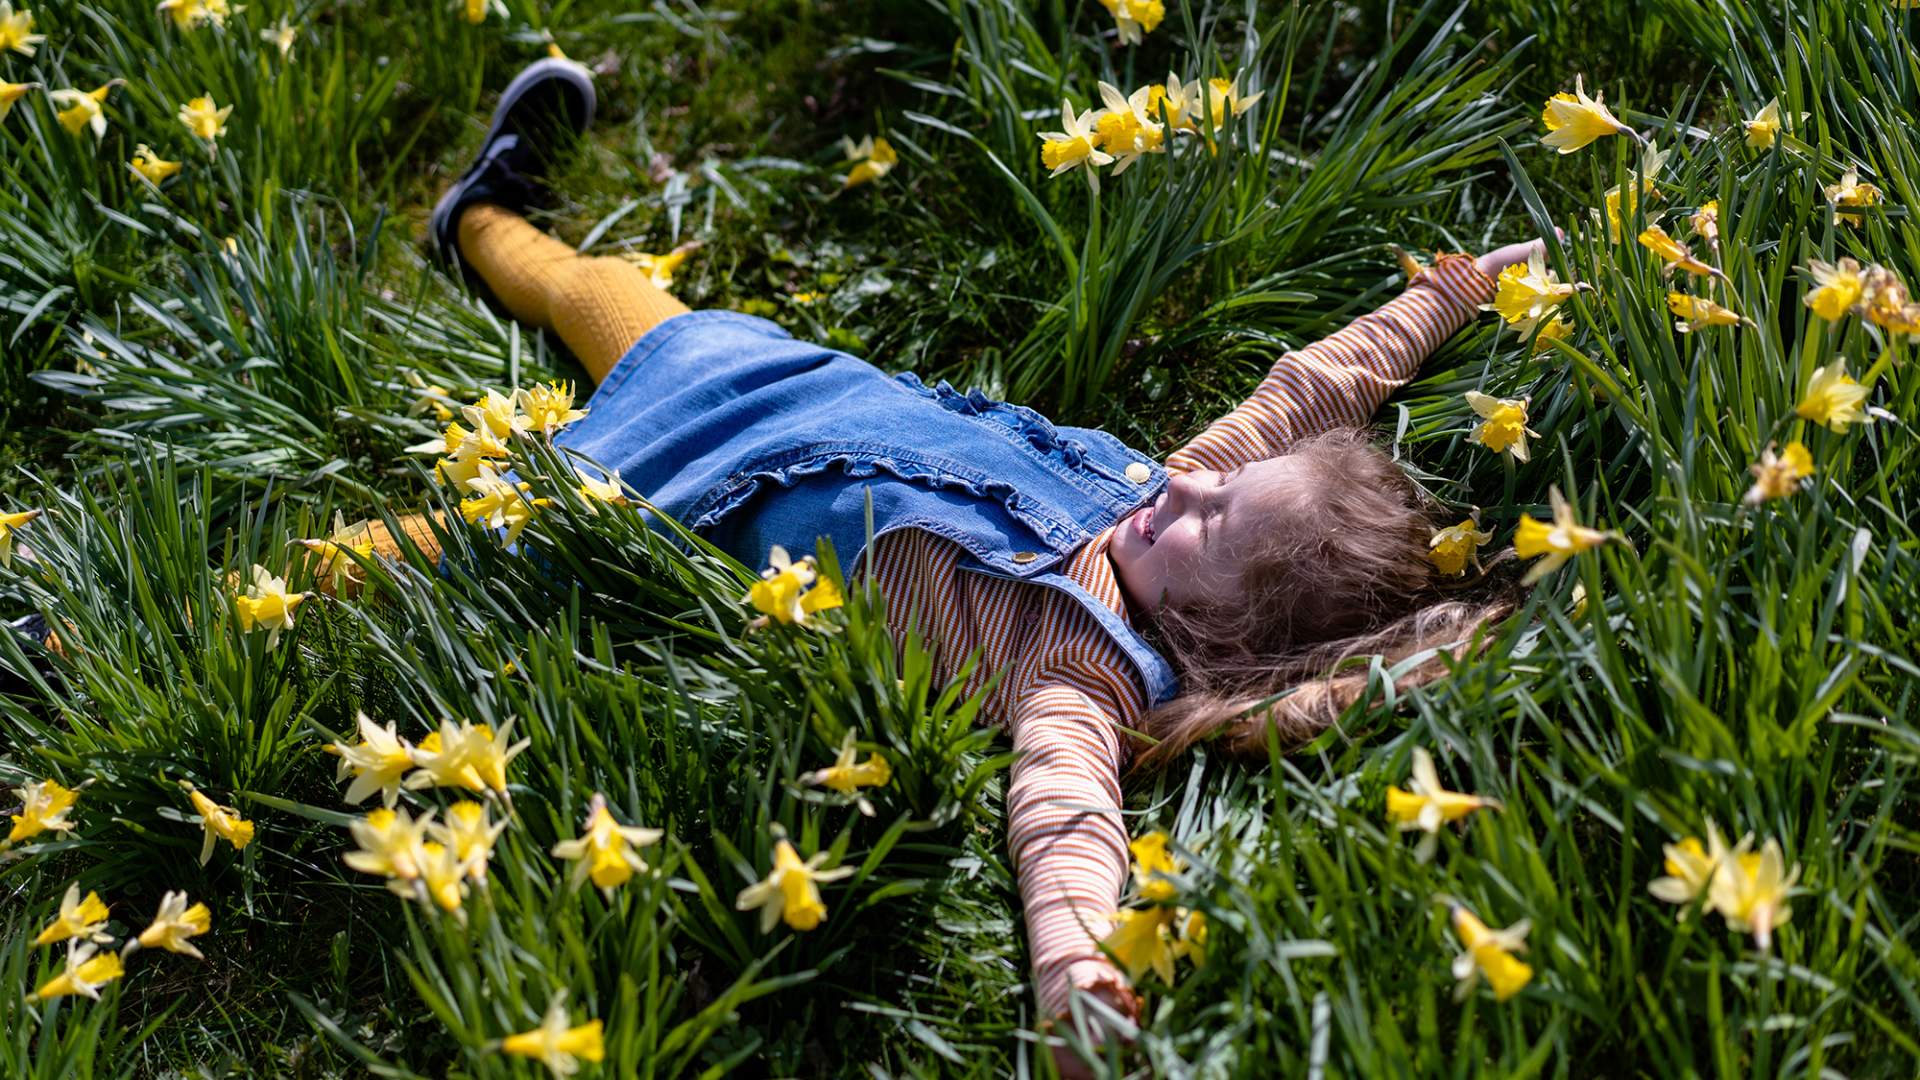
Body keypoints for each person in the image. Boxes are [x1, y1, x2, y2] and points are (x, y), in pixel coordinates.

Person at [402, 58, 1538, 1060]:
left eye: (1212, 522)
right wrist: (1457, 290)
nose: (1187, 484)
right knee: (608, 298)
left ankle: (303, 570)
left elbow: (1063, 821)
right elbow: (1306, 393)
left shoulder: (1074, 677)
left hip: (663, 501)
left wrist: (1080, 974)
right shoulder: (1148, 494)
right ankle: (481, 221)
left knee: (413, 552)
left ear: (1216, 632)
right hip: (781, 393)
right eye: (1215, 480)